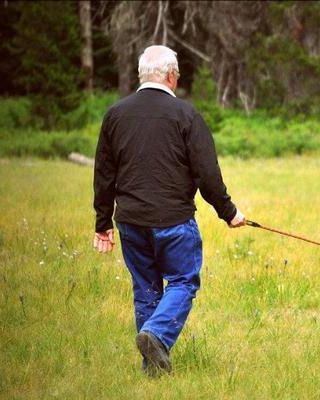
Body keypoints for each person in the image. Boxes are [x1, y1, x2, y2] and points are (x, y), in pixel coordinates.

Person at [92, 45, 245, 376]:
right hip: (173, 221)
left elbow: (104, 173)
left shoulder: (115, 115)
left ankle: (153, 369)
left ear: (142, 75)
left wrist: (102, 223)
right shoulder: (186, 115)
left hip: (130, 222)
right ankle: (156, 336)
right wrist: (229, 212)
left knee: (146, 289)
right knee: (182, 282)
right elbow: (207, 172)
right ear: (172, 76)